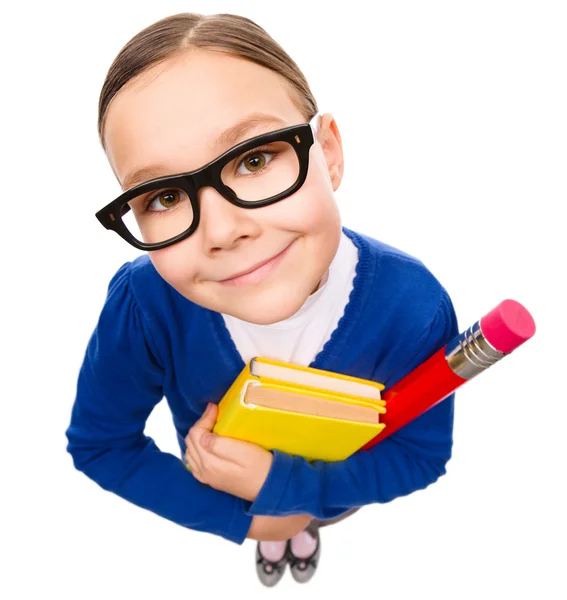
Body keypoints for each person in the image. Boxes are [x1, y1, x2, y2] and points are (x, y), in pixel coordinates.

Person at [65, 12, 458, 587]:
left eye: (253, 159)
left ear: (328, 152)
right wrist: (245, 522)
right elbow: (100, 445)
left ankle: (301, 532)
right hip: (228, 489)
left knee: (300, 520)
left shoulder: (412, 306)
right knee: (274, 527)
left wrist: (289, 496)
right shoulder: (145, 308)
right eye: (166, 195)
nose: (223, 231)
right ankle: (277, 543)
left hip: (330, 489)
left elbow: (420, 457)